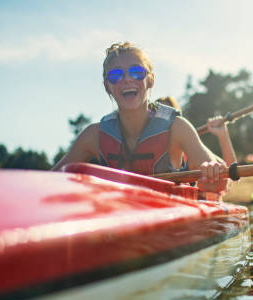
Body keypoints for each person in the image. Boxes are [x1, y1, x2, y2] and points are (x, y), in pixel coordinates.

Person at [53, 42, 230, 194]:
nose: (127, 79)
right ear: (107, 86)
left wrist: (215, 177)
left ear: (150, 80)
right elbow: (49, 180)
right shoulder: (93, 135)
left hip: (169, 217)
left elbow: (221, 181)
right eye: (115, 75)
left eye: (137, 72)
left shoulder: (178, 128)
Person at [156, 96, 237, 166]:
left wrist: (223, 136)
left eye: (167, 113)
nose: (163, 119)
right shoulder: (145, 146)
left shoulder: (188, 144)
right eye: (159, 113)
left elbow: (229, 172)